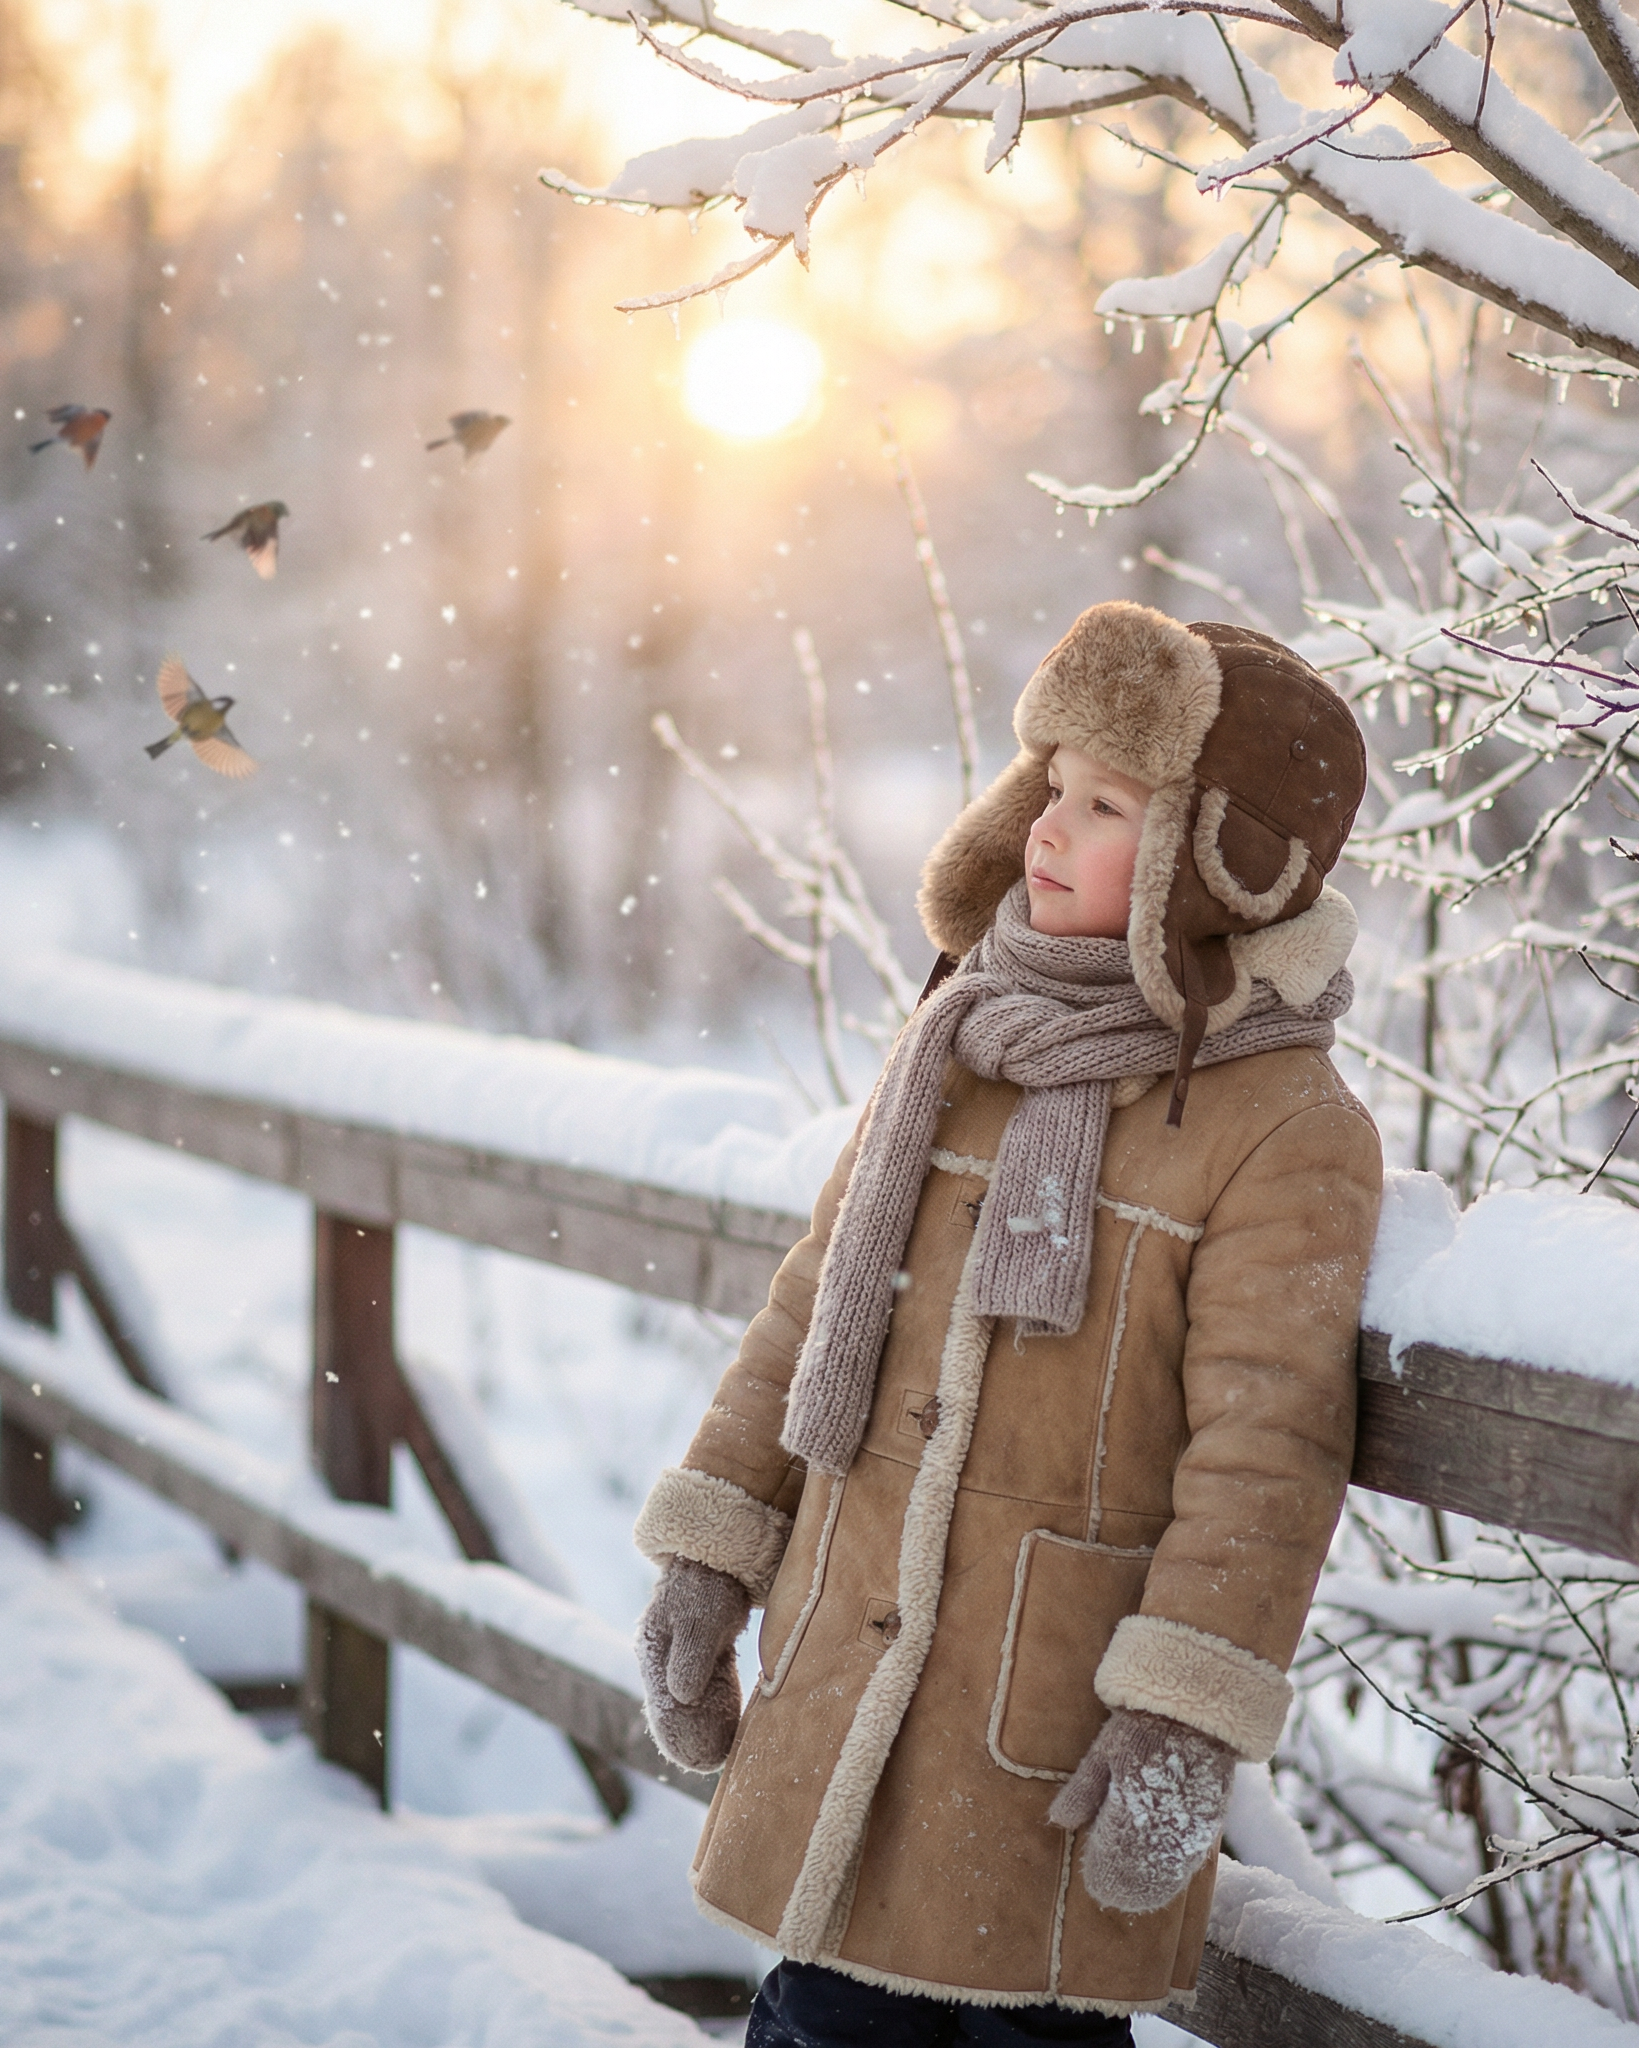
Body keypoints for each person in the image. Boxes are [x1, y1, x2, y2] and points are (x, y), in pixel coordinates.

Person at [633, 603, 1384, 2044]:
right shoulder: (958, 1038)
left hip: (1041, 1739)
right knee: (820, 2022)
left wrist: (1184, 1715)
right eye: (1051, 784)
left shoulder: (1281, 1125)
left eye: (1109, 806)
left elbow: (1269, 1448)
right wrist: (712, 1544)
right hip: (846, 1681)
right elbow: (812, 1303)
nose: (1047, 825)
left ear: (1217, 863)